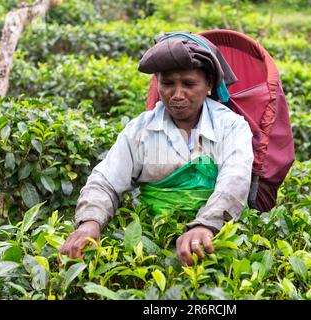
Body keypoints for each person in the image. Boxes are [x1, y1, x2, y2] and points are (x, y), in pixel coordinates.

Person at [59, 32, 254, 266]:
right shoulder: (141, 129)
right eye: (168, 84)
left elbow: (235, 179)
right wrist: (90, 221)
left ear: (209, 85)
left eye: (189, 84)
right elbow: (106, 181)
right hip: (151, 242)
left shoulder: (231, 126)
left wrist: (206, 224)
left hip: (216, 240)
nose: (177, 95)